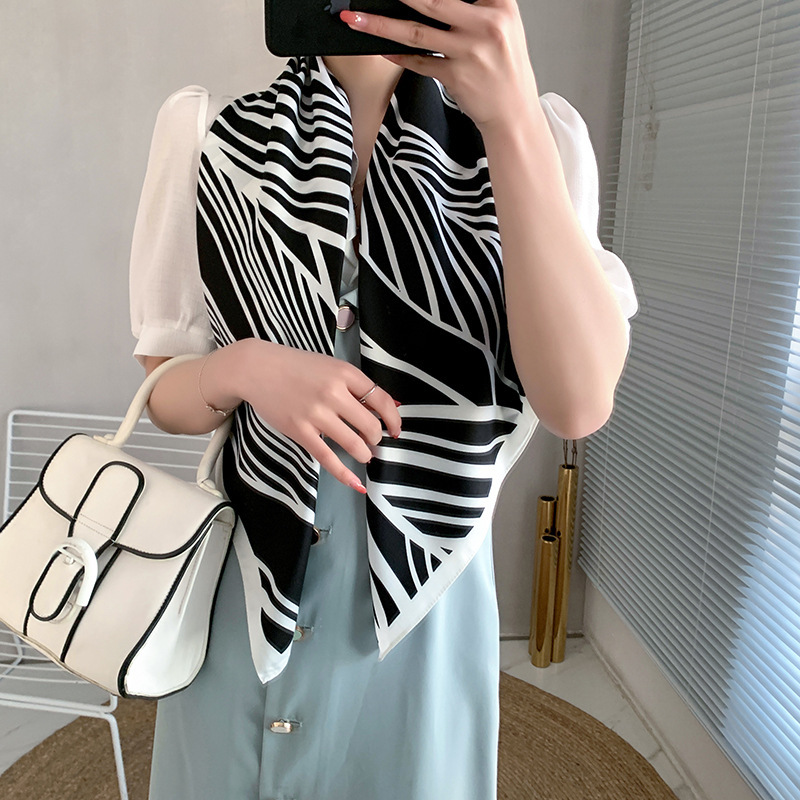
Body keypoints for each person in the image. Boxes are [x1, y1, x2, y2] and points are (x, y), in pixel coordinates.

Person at [129, 1, 639, 798]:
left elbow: (578, 405)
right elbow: (165, 394)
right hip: (243, 598)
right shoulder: (209, 139)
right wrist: (246, 369)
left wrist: (509, 119)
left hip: (418, 621)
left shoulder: (538, 138)